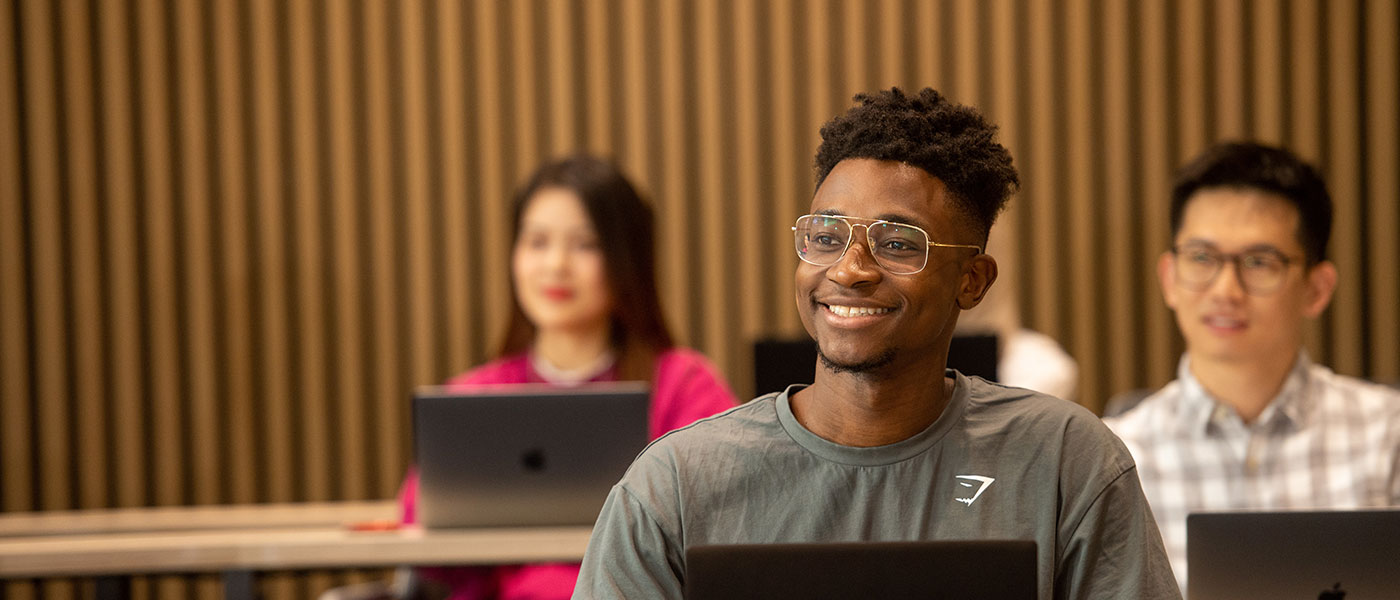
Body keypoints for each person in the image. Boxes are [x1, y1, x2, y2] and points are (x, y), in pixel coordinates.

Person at [573, 88, 1178, 600]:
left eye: (897, 244)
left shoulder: (1066, 463)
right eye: (826, 236)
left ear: (973, 280)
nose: (851, 269)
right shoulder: (676, 485)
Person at [398, 155, 738, 600]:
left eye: (585, 244)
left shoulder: (684, 384)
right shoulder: (472, 396)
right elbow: (422, 524)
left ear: (627, 260)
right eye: (537, 242)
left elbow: (726, 513)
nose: (556, 264)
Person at [1103, 141, 1400, 592]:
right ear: (1170, 279)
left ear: (1317, 289)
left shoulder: (1389, 435)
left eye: (1259, 262)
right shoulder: (1115, 456)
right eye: (1202, 258)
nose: (1226, 289)